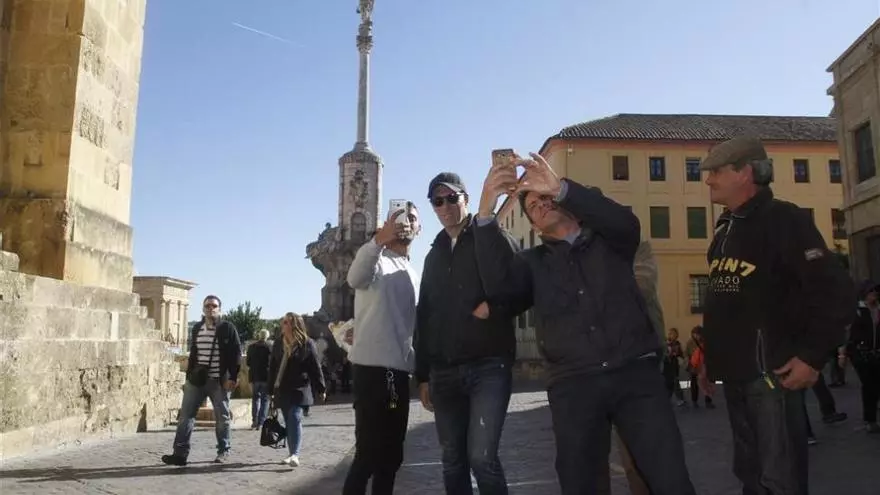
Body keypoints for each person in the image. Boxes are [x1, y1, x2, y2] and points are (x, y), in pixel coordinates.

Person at [472, 152, 695, 495]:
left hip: (634, 372)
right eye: (532, 205)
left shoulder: (612, 241)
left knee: (669, 478)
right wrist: (486, 211)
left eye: (545, 197)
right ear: (533, 225)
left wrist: (559, 187)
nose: (540, 205)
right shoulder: (531, 264)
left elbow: (626, 223)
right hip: (573, 385)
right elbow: (499, 289)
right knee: (581, 484)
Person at [700, 136, 855, 494]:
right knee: (750, 476)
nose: (707, 180)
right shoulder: (726, 229)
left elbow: (835, 291)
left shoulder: (785, 219)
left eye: (717, 171)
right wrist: (711, 358)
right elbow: (727, 304)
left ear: (746, 173)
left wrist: (813, 356)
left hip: (772, 376)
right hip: (737, 377)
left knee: (778, 480)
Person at [415, 172, 518, 495]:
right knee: (452, 460)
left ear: (466, 199)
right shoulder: (433, 255)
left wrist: (495, 307)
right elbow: (425, 315)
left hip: (489, 365)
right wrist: (423, 375)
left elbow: (521, 284)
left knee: (482, 457)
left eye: (451, 198)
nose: (444, 206)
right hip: (444, 372)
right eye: (437, 201)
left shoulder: (492, 235)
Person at [343, 204, 422, 495]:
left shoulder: (414, 273)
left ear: (418, 229)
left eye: (412, 219)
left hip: (397, 373)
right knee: (368, 454)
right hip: (373, 370)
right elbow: (354, 278)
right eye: (400, 217)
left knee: (391, 456)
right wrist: (378, 240)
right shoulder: (376, 259)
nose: (406, 223)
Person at [162, 295, 241, 466]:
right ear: (203, 308)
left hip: (218, 380)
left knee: (222, 417)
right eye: (207, 306)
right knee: (185, 416)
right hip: (196, 380)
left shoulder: (227, 328)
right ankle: (180, 454)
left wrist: (233, 377)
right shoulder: (197, 327)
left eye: (214, 306)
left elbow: (236, 354)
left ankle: (223, 451)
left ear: (219, 308)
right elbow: (194, 354)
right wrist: (188, 376)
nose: (210, 308)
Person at [268, 312, 326, 467]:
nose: (283, 324)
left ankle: (295, 454)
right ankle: (291, 452)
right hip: (282, 388)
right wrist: (269, 390)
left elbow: (315, 367)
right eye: (283, 321)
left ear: (295, 325)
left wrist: (321, 388)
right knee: (288, 421)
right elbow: (273, 367)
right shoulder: (279, 343)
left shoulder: (307, 343)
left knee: (294, 417)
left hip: (300, 387)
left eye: (287, 322)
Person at [845, 281, 880, 434]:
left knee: (875, 385)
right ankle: (870, 420)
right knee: (869, 385)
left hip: (876, 352)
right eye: (871, 291)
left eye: (876, 291)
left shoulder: (878, 309)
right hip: (860, 354)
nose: (875, 294)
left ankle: (871, 417)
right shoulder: (857, 310)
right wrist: (842, 354)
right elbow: (847, 332)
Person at [247, 328, 272, 429]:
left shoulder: (251, 347)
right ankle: (261, 422)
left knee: (255, 399)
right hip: (265, 376)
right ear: (267, 336)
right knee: (265, 400)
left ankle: (254, 421)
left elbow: (248, 362)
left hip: (254, 376)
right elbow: (272, 363)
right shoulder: (269, 347)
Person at [685, 326, 714, 408]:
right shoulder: (690, 342)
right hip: (694, 365)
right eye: (694, 334)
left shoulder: (705, 342)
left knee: (706, 383)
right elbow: (686, 353)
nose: (696, 336)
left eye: (697, 334)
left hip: (703, 364)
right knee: (694, 383)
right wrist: (688, 362)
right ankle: (694, 401)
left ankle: (708, 401)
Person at [663, 328, 686, 406]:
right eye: (669, 333)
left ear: (676, 335)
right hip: (667, 366)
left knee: (676, 382)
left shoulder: (677, 343)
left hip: (674, 365)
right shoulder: (666, 343)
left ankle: (680, 398)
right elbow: (664, 353)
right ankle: (667, 398)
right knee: (668, 383)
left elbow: (678, 353)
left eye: (672, 333)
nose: (670, 335)